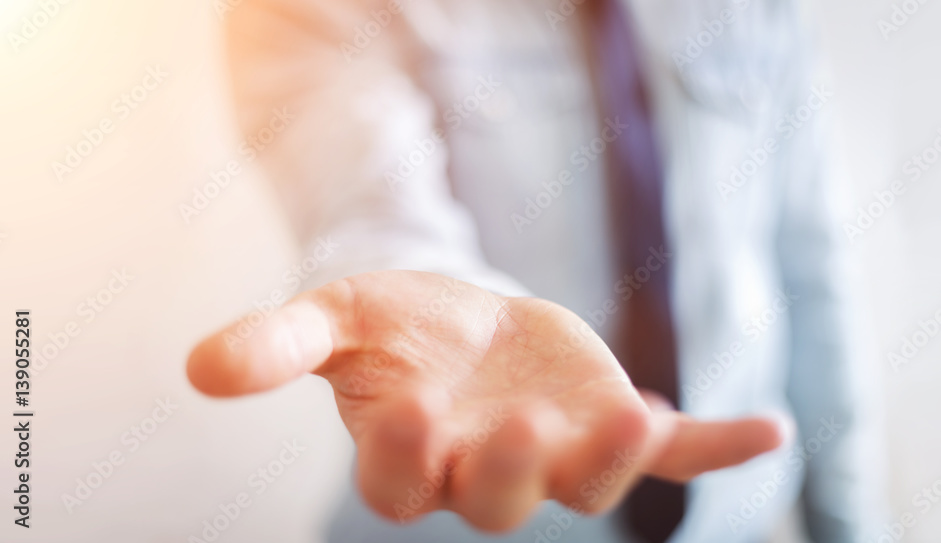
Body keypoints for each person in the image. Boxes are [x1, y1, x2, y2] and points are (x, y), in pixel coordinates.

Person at [188, 0, 885, 541]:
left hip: (735, 518)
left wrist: (850, 524)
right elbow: (373, 207)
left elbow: (813, 268)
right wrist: (430, 312)